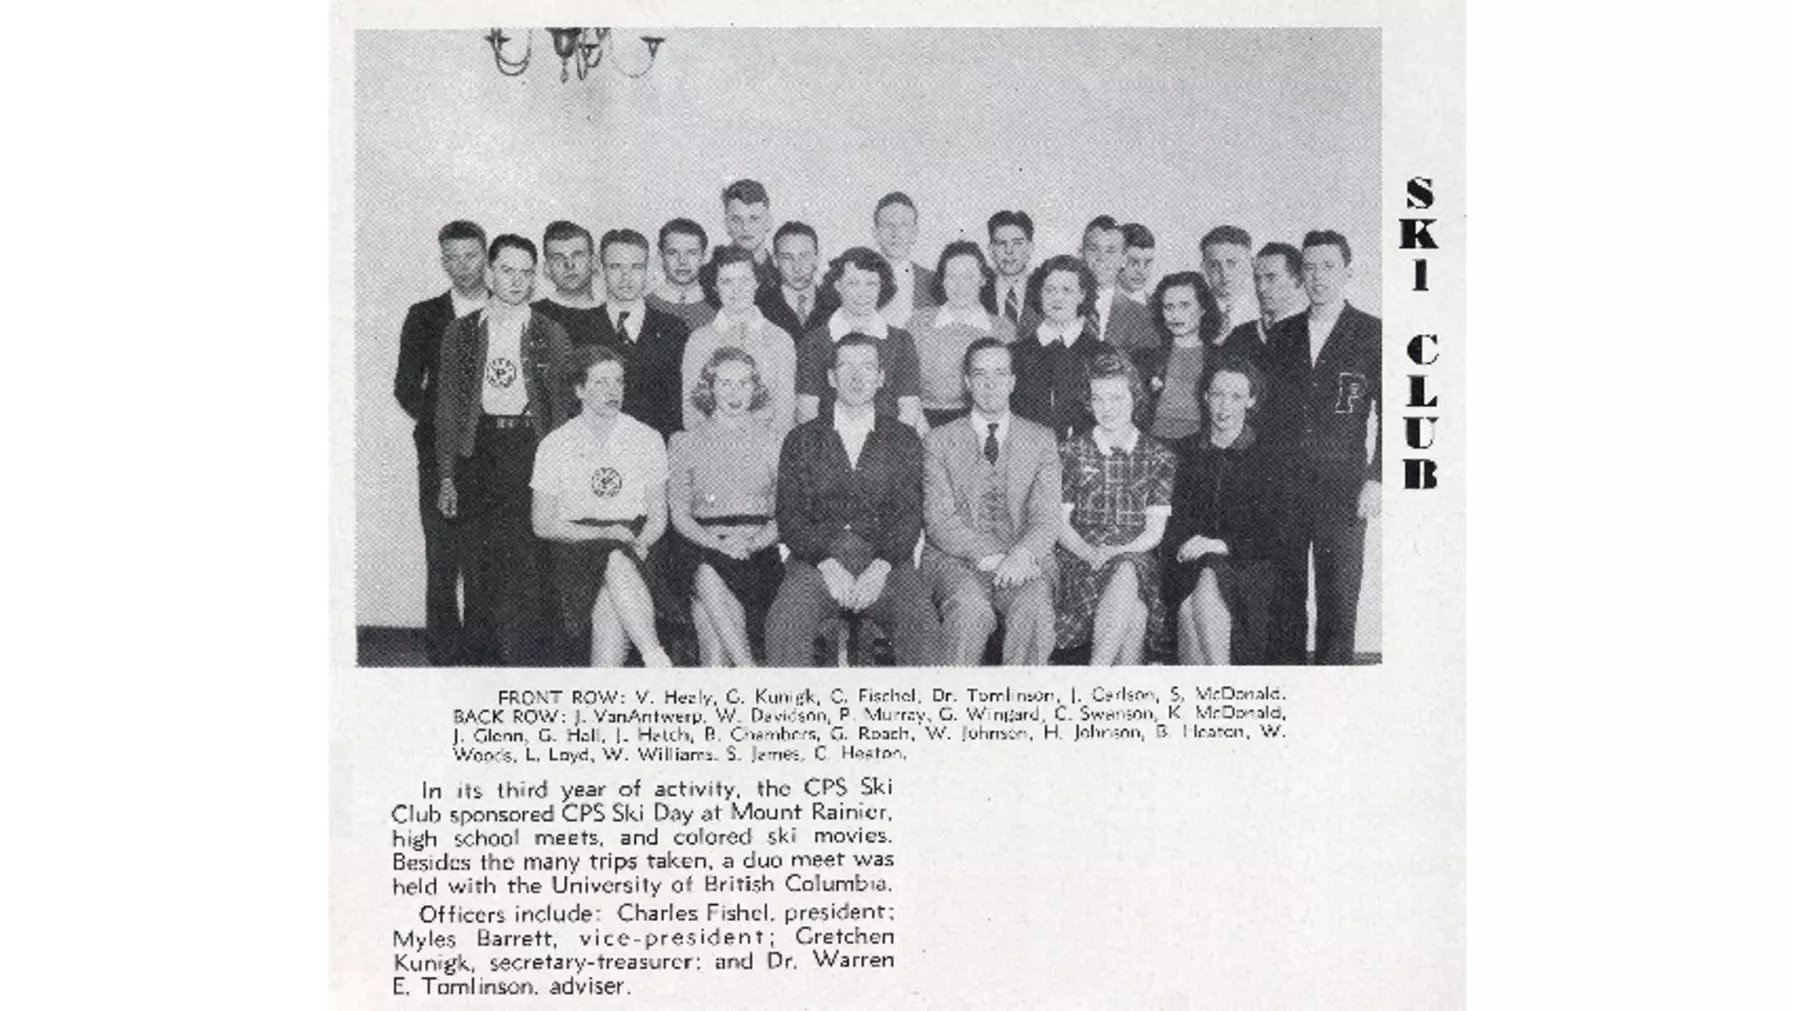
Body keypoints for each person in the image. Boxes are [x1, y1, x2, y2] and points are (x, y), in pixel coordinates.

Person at [434, 233, 578, 666]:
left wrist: (563, 472)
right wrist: (446, 473)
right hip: (478, 451)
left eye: (526, 272)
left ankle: (532, 662)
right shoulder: (462, 332)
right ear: (490, 273)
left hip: (530, 449)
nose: (516, 281)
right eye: (507, 271)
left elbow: (565, 407)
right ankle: (483, 662)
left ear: (535, 278)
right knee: (479, 560)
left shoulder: (549, 332)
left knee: (531, 558)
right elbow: (447, 406)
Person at [766, 334, 940, 667]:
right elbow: (790, 516)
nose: (857, 376)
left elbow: (909, 514)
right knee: (784, 623)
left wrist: (881, 567)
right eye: (846, 366)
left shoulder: (903, 438)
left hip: (885, 560)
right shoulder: (802, 438)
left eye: (867, 366)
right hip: (816, 561)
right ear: (831, 377)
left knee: (922, 624)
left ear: (881, 377)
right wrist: (826, 564)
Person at [1262, 230, 1382, 665]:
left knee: (1338, 599)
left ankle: (1335, 700)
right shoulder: (1282, 336)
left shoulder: (1372, 333)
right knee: (1285, 598)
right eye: (1309, 268)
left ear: (1347, 271)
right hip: (1286, 487)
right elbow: (1267, 416)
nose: (1318, 276)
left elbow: (1395, 414)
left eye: (1328, 266)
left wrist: (1377, 477)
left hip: (1343, 487)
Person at [921, 339, 1062, 666]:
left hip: (1026, 559)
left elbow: (1046, 516)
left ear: (1013, 382)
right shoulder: (938, 441)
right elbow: (940, 520)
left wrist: (1022, 555)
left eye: (1000, 373)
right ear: (967, 382)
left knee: (1035, 608)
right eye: (980, 374)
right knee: (970, 610)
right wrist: (992, 558)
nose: (990, 383)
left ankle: (1019, 708)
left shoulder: (1041, 439)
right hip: (956, 559)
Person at [530, 345, 672, 668]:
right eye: (601, 383)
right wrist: (607, 533)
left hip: (635, 540)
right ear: (579, 390)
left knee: (613, 580)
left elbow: (658, 516)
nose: (613, 391)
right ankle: (656, 657)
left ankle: (631, 671)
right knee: (611, 556)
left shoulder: (646, 437)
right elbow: (542, 523)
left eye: (618, 382)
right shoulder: (555, 444)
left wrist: (640, 542)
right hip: (576, 544)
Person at [393, 219, 487, 665]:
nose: (462, 266)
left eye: (471, 255)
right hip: (438, 454)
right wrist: (447, 425)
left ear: (485, 255)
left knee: (488, 557)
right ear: (442, 260)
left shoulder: (506, 306)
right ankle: (444, 657)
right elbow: (406, 388)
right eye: (452, 257)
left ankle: (485, 652)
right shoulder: (424, 314)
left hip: (496, 453)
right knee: (443, 556)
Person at [1053, 350, 1175, 666]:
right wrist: (1090, 553)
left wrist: (1117, 551)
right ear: (1088, 402)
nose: (1106, 408)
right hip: (1081, 559)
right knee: (1134, 613)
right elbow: (1060, 523)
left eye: (1116, 398)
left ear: (1135, 398)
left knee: (1127, 566)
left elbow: (1154, 532)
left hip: (1134, 553)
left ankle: (1096, 676)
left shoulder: (1159, 455)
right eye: (1098, 399)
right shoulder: (1071, 451)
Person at [666, 347, 785, 666]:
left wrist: (752, 542)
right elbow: (679, 513)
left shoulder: (773, 441)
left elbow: (785, 512)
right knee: (706, 570)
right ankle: (748, 671)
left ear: (756, 388)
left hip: (757, 553)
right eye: (726, 383)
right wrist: (718, 545)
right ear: (710, 387)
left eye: (744, 384)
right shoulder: (683, 441)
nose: (735, 393)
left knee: (713, 643)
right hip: (702, 545)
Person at [1164, 357, 1286, 665]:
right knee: (1191, 604)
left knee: (1200, 598)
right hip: (1189, 563)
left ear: (1252, 401)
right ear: (1205, 396)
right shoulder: (1183, 452)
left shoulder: (1269, 456)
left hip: (1248, 568)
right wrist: (1189, 544)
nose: (1224, 406)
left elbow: (1276, 531)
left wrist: (1220, 544)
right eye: (1217, 394)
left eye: (1236, 397)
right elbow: (1171, 520)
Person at [794, 247, 924, 430]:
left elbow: (909, 406)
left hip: (888, 446)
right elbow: (806, 410)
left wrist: (893, 447)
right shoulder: (814, 342)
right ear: (838, 286)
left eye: (871, 284)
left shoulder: (901, 341)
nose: (863, 293)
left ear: (882, 287)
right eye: (853, 283)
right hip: (829, 446)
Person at [681, 246, 797, 434]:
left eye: (744, 280)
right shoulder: (699, 340)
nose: (737, 290)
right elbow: (692, 410)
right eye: (727, 281)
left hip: (766, 449)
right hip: (712, 447)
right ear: (715, 287)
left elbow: (785, 412)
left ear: (757, 283)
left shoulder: (780, 339)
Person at [590, 228, 690, 439]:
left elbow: (679, 406)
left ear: (649, 268)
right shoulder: (581, 327)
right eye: (616, 267)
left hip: (654, 453)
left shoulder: (674, 329)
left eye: (636, 267)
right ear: (600, 267)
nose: (626, 277)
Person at [911, 241, 1017, 428]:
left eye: (968, 276)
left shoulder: (1003, 329)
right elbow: (905, 385)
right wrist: (920, 425)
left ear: (983, 279)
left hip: (983, 423)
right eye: (952, 276)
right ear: (942, 280)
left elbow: (1008, 391)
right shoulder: (918, 322)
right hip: (925, 422)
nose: (960, 285)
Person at [1009, 254, 1106, 441]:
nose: (1057, 298)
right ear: (1039, 293)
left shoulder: (1100, 353)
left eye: (1067, 290)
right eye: (1050, 290)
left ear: (1082, 295)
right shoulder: (1015, 353)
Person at [1145, 270, 1224, 441]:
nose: (1175, 315)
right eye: (1168, 307)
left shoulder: (1220, 357)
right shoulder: (1149, 358)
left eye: (1184, 305)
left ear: (1202, 308)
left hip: (1201, 446)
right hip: (1154, 443)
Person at [1079, 215, 1158, 361]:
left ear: (1123, 259)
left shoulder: (1143, 316)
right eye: (1094, 248)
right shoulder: (1056, 304)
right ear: (1081, 254)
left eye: (1110, 251)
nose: (1101, 258)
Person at [1220, 241, 1308, 364]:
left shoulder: (1312, 334)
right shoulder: (1239, 337)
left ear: (1297, 280)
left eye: (1271, 278)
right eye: (1257, 279)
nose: (1261, 288)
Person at [531, 220, 608, 347]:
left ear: (594, 262)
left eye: (578, 255)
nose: (569, 265)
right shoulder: (532, 316)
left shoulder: (615, 315)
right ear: (547, 268)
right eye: (558, 258)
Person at [756, 221, 834, 338]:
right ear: (775, 261)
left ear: (817, 258)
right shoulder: (759, 308)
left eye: (804, 256)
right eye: (787, 257)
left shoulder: (836, 305)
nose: (797, 267)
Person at [872, 191, 936, 328]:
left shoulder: (934, 282)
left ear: (914, 233)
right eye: (888, 225)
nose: (895, 233)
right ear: (875, 233)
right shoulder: (857, 280)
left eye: (904, 226)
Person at [647, 217, 718, 334]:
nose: (682, 261)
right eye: (673, 253)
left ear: (704, 257)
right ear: (660, 257)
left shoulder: (718, 306)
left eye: (691, 253)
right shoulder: (645, 307)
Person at [715, 179, 779, 290]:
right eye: (736, 219)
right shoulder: (710, 275)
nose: (745, 227)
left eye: (754, 219)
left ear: (768, 222)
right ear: (727, 224)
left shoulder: (783, 276)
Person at [1200, 225, 1262, 339]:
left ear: (1251, 264)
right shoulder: (1192, 313)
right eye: (1214, 265)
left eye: (1231, 263)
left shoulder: (1264, 311)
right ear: (1203, 268)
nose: (1224, 273)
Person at [986, 210, 1037, 328]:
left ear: (1030, 248)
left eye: (1017, 243)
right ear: (991, 250)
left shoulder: (1044, 290)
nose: (1009, 251)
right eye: (1001, 243)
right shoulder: (976, 291)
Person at [1118, 222, 1156, 302]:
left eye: (1147, 263)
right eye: (1133, 262)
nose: (1141, 271)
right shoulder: (1097, 304)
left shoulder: (1155, 307)